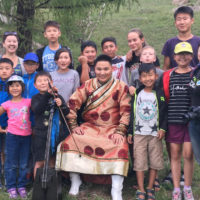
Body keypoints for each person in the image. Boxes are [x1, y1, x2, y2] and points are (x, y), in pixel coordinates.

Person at [56, 54, 131, 200]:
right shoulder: (88, 84)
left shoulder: (121, 87)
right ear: (94, 69)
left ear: (112, 69)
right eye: (99, 69)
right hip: (90, 127)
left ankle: (116, 190)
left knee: (119, 146)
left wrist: (120, 131)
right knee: (70, 142)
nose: (102, 72)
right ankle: (75, 181)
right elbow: (72, 103)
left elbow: (126, 111)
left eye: (106, 69)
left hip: (112, 128)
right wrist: (73, 125)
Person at [128, 63, 167, 200]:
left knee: (154, 161)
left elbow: (164, 112)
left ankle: (150, 187)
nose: (148, 78)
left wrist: (163, 128)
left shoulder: (160, 94)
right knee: (139, 161)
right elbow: (132, 113)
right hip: (139, 134)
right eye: (144, 76)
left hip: (155, 134)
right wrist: (130, 132)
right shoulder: (137, 93)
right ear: (139, 78)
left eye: (150, 75)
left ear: (156, 76)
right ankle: (141, 188)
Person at [162, 42, 194, 200]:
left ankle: (187, 188)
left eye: (186, 54)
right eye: (179, 54)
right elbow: (163, 97)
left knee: (188, 154)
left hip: (191, 122)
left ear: (192, 56)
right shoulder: (168, 75)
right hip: (173, 120)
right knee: (175, 155)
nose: (183, 57)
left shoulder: (195, 74)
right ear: (174, 57)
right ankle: (176, 188)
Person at [31, 71, 70, 178]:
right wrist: (48, 94)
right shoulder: (35, 98)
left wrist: (61, 105)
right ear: (35, 85)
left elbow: (66, 112)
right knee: (40, 161)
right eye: (39, 81)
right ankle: (37, 187)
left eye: (46, 80)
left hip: (56, 134)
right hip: (41, 134)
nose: (43, 83)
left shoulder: (57, 96)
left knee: (52, 161)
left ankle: (52, 187)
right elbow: (37, 109)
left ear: (51, 82)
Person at [0, 75, 31, 199]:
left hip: (26, 137)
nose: (15, 88)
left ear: (22, 88)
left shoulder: (28, 102)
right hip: (12, 137)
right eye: (12, 86)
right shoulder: (6, 104)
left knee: (23, 163)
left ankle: (21, 186)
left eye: (17, 85)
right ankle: (11, 186)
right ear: (8, 89)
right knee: (11, 163)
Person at [162, 6, 200, 70]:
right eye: (179, 19)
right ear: (175, 23)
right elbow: (166, 68)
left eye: (185, 19)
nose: (182, 22)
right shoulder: (169, 43)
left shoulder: (198, 41)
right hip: (175, 79)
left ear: (192, 21)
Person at [0, 58, 13, 188]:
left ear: (12, 70)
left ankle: (8, 178)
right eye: (1, 68)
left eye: (7, 68)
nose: (4, 71)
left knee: (8, 152)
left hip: (11, 125)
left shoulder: (15, 85)